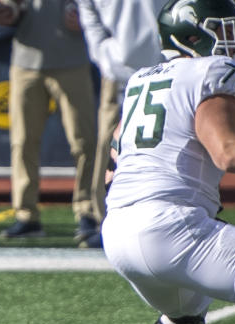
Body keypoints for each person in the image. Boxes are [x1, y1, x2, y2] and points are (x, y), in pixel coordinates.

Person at [103, 0, 235, 324]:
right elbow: (228, 152)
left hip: (120, 230)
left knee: (184, 314)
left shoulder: (142, 81)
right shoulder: (216, 70)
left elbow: (112, 167)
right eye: (227, 29)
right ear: (190, 34)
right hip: (172, 226)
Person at [0, 0, 97, 240]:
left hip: (72, 60)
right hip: (26, 62)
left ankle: (88, 211)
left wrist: (88, 19)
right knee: (22, 142)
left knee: (84, 142)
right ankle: (26, 215)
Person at [75, 0, 163, 248]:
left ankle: (166, 219)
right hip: (117, 73)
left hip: (168, 66)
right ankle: (105, 222)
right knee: (108, 145)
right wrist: (104, 57)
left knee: (173, 144)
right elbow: (88, 13)